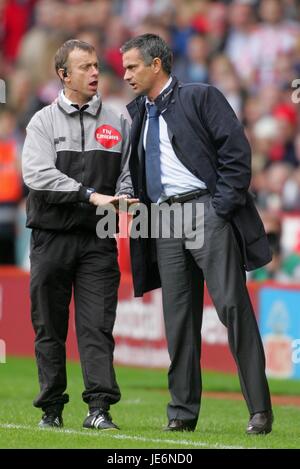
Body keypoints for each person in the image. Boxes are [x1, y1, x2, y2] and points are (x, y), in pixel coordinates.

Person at [121, 33, 274, 435]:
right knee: (178, 321)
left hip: (205, 210)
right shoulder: (136, 111)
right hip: (163, 221)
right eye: (123, 67)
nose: (126, 75)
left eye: (132, 66)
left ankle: (259, 410)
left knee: (232, 309)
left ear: (156, 65)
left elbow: (236, 153)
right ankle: (182, 413)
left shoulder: (201, 95)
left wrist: (219, 208)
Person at [22, 39, 136, 430]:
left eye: (96, 66)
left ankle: (99, 409)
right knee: (49, 326)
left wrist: (123, 194)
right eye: (85, 67)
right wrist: (90, 195)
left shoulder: (119, 119)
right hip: (51, 236)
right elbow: (37, 176)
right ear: (63, 75)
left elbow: (128, 169)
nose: (94, 73)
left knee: (97, 327)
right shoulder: (41, 121)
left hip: (99, 238)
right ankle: (51, 409)